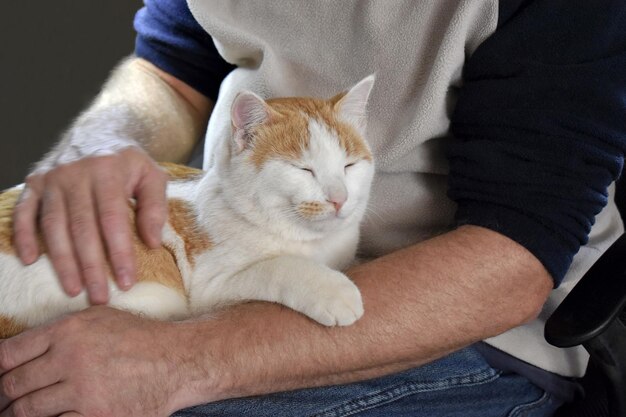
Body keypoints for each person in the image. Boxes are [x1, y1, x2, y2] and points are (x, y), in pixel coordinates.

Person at [1, 1, 625, 416]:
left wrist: (175, 359)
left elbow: (509, 267)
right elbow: (170, 68)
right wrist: (103, 143)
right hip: (242, 249)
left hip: (459, 325)